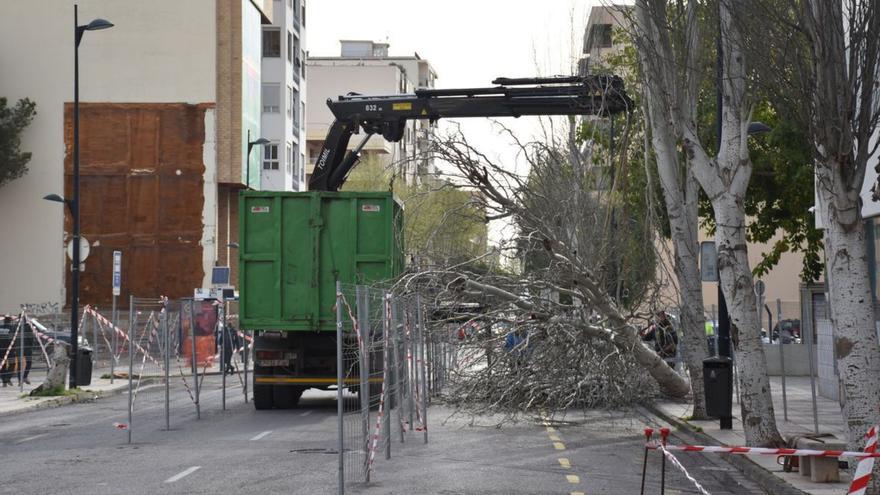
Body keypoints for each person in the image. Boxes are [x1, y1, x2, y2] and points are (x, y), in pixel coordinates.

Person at [0, 316, 13, 387]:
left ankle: (4, 380)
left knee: (2, 365)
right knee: (12, 364)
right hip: (10, 349)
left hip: (0, 349)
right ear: (10, 321)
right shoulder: (12, 328)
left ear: (4, 321)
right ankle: (7, 378)